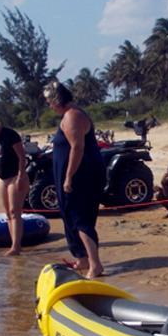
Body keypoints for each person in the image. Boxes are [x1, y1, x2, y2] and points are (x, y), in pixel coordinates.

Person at [46, 80, 105, 278]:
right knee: (70, 216)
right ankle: (82, 259)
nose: (49, 105)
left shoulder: (73, 116)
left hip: (82, 175)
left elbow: (77, 148)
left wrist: (69, 176)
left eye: (49, 101)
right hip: (72, 175)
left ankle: (95, 265)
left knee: (81, 219)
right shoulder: (67, 116)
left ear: (57, 99)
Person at [0, 115, 29, 255]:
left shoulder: (10, 135)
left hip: (15, 176)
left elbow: (22, 157)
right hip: (2, 178)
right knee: (8, 213)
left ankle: (16, 246)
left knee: (15, 211)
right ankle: (13, 244)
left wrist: (21, 176)